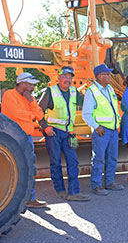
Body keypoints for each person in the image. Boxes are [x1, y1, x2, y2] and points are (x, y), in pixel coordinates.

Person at [38, 66, 90, 202]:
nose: (67, 79)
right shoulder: (50, 91)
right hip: (53, 133)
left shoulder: (73, 92)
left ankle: (73, 192)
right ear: (59, 78)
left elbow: (85, 103)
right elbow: (38, 111)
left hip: (68, 133)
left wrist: (88, 90)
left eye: (70, 77)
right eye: (65, 76)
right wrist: (45, 127)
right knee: (55, 162)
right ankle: (60, 190)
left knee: (73, 162)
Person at [1, 72, 47, 208]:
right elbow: (15, 114)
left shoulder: (29, 98)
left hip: (27, 137)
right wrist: (31, 115)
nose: (33, 87)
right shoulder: (9, 95)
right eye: (31, 85)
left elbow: (40, 114)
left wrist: (32, 102)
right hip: (14, 137)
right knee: (15, 168)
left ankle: (30, 198)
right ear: (22, 84)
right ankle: (12, 199)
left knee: (29, 167)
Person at [82, 64, 124, 196]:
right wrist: (96, 126)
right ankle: (96, 185)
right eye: (106, 74)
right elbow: (86, 114)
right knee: (99, 158)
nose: (109, 76)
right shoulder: (92, 91)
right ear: (100, 76)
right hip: (102, 130)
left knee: (112, 157)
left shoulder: (110, 89)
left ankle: (110, 182)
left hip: (112, 130)